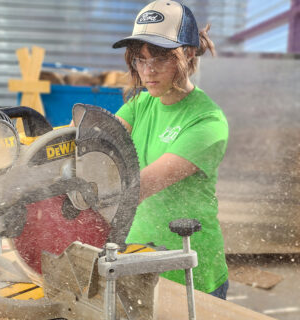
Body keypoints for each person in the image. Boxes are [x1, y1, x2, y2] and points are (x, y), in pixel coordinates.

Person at [112, 0, 229, 299]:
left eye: (161, 59)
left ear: (188, 54)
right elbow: (99, 145)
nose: (148, 71)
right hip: (136, 261)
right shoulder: (141, 103)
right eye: (140, 59)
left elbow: (137, 188)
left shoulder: (208, 122)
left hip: (191, 273)